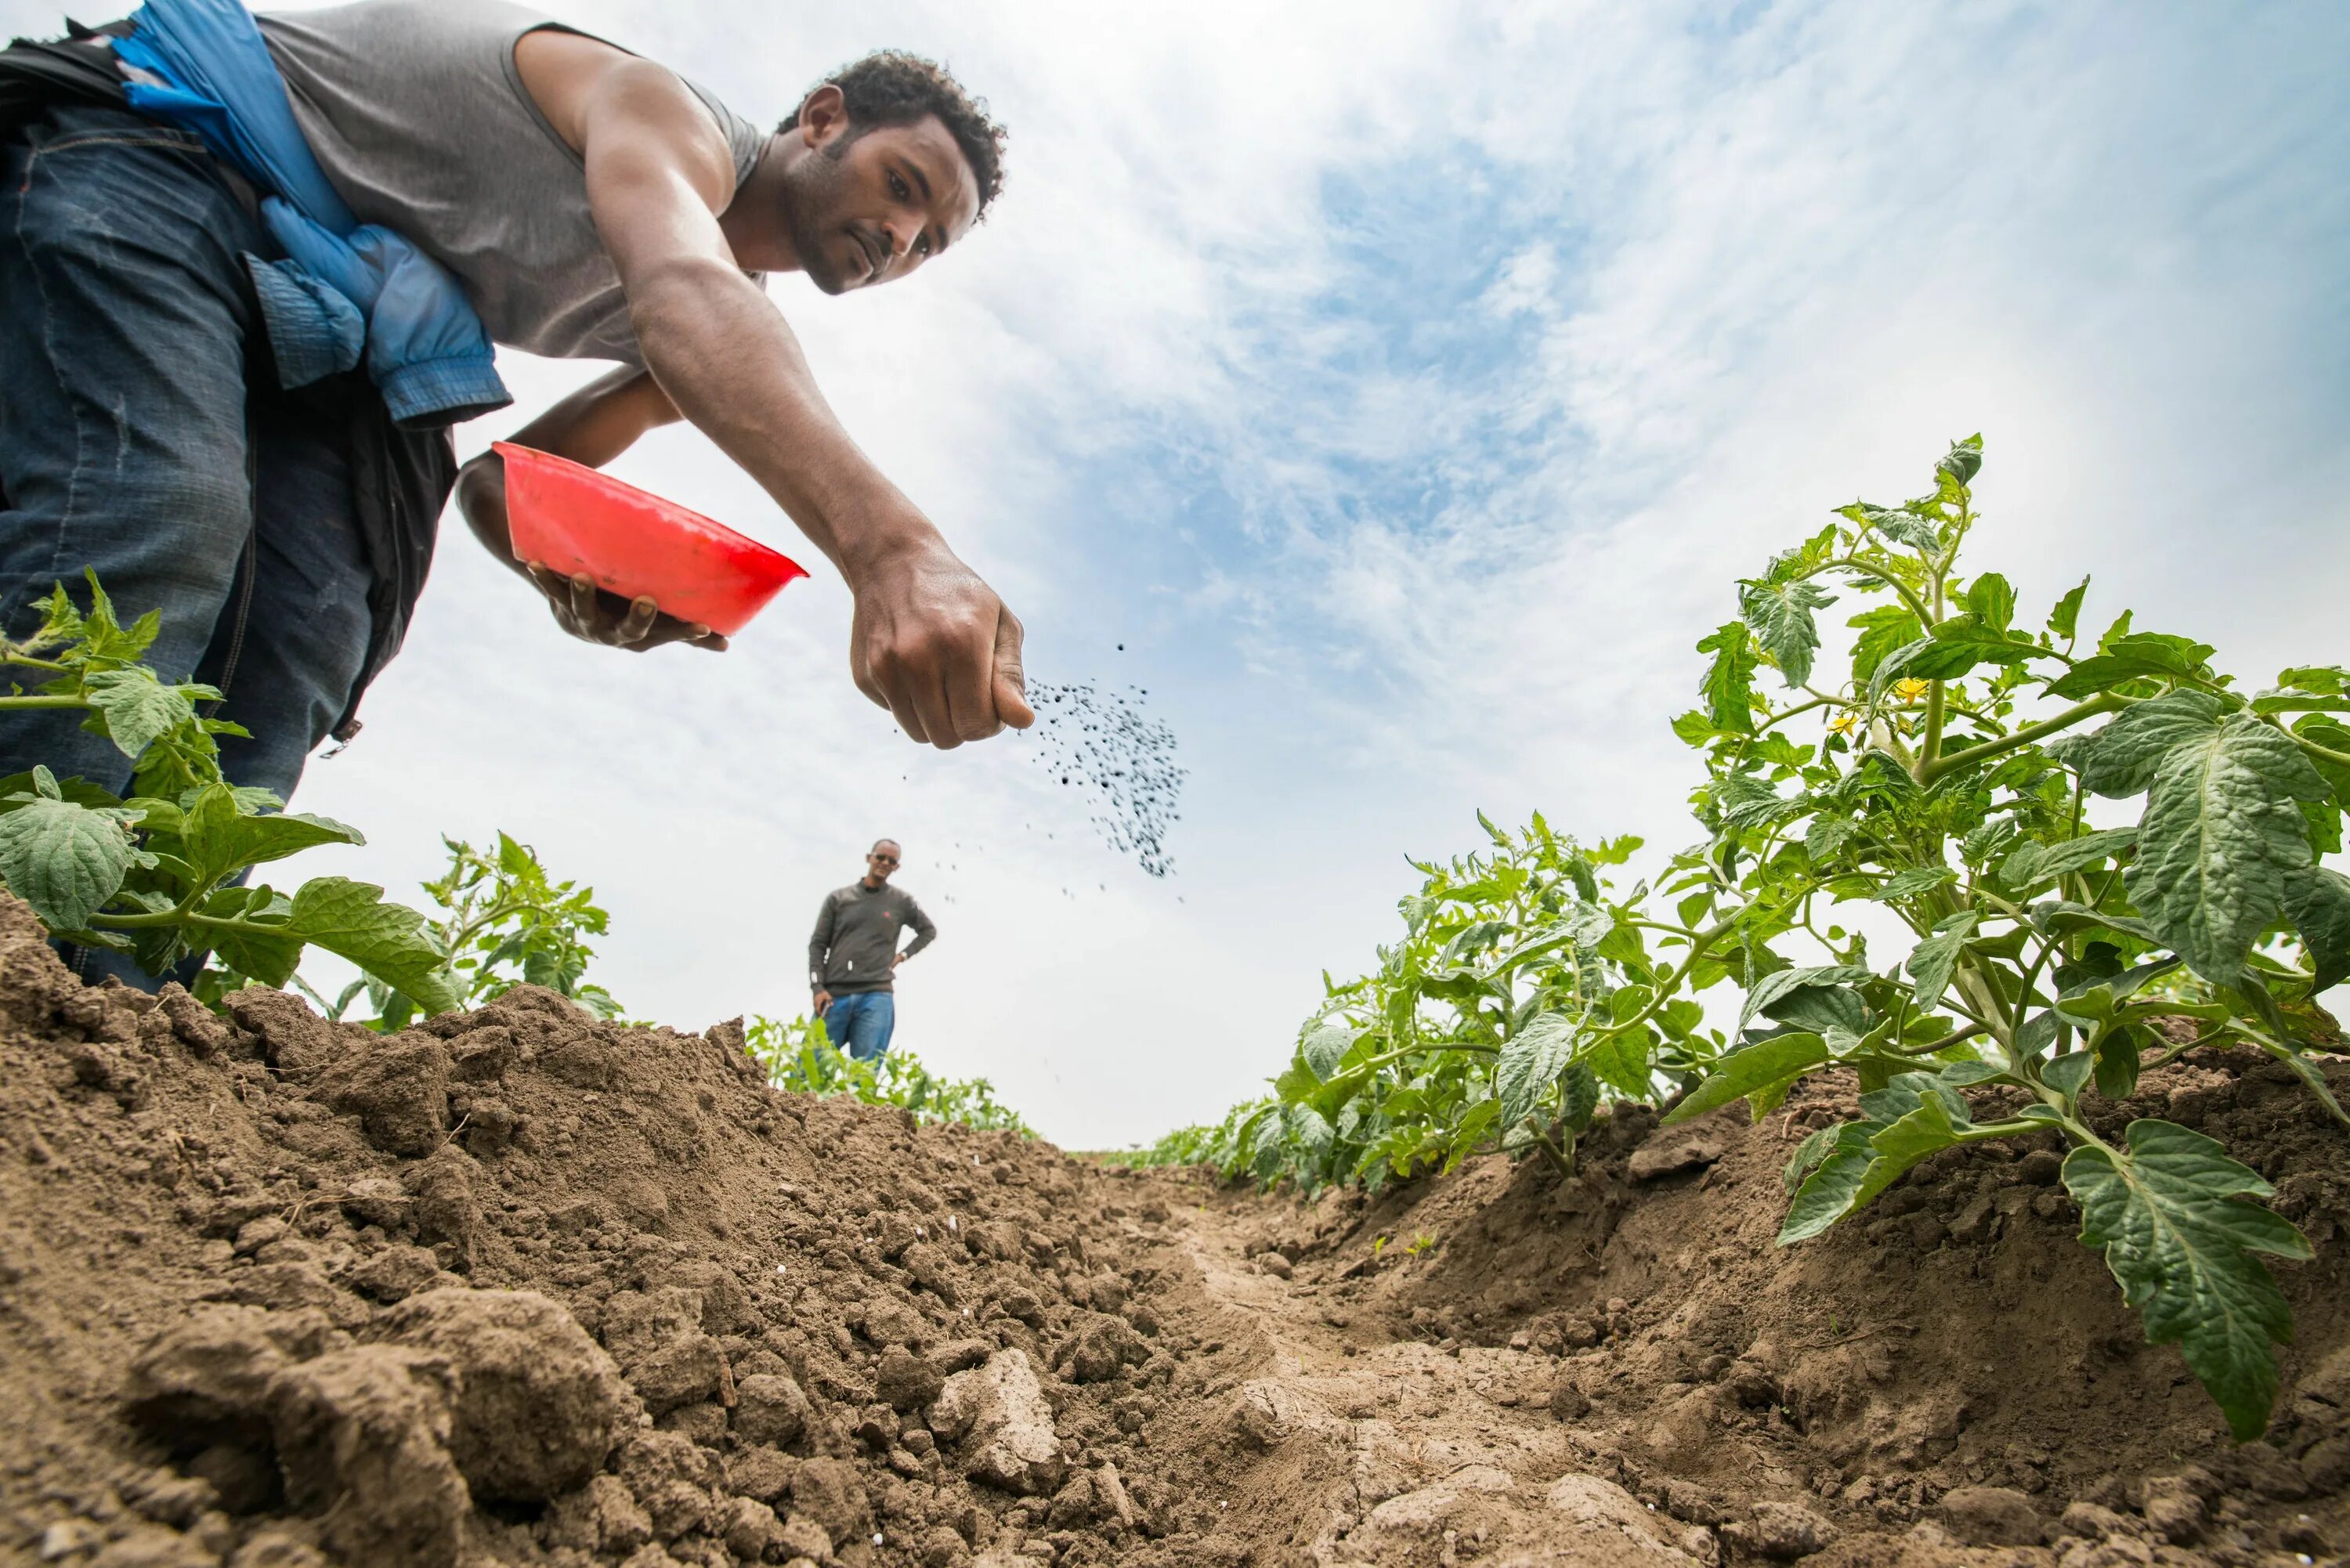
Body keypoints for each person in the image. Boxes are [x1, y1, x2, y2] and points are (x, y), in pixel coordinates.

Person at [0, 0, 1032, 930]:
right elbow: (681, 292)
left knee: (308, 632)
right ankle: (20, 920)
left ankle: (120, 999)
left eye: (929, 243)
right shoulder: (661, 116)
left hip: (330, 307)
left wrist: (573, 572)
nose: (898, 237)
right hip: (174, 148)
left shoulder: (712, 332)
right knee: (158, 516)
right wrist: (894, 550)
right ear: (821, 118)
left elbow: (507, 480)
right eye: (902, 188)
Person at [808, 839, 934, 1061]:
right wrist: (817, 987)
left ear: (897, 867)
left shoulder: (902, 902)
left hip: (877, 995)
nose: (885, 863)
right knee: (809, 1069)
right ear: (869, 857)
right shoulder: (839, 899)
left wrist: (903, 955)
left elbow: (928, 931)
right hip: (834, 995)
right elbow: (818, 944)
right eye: (880, 857)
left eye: (892, 861)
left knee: (864, 1074)